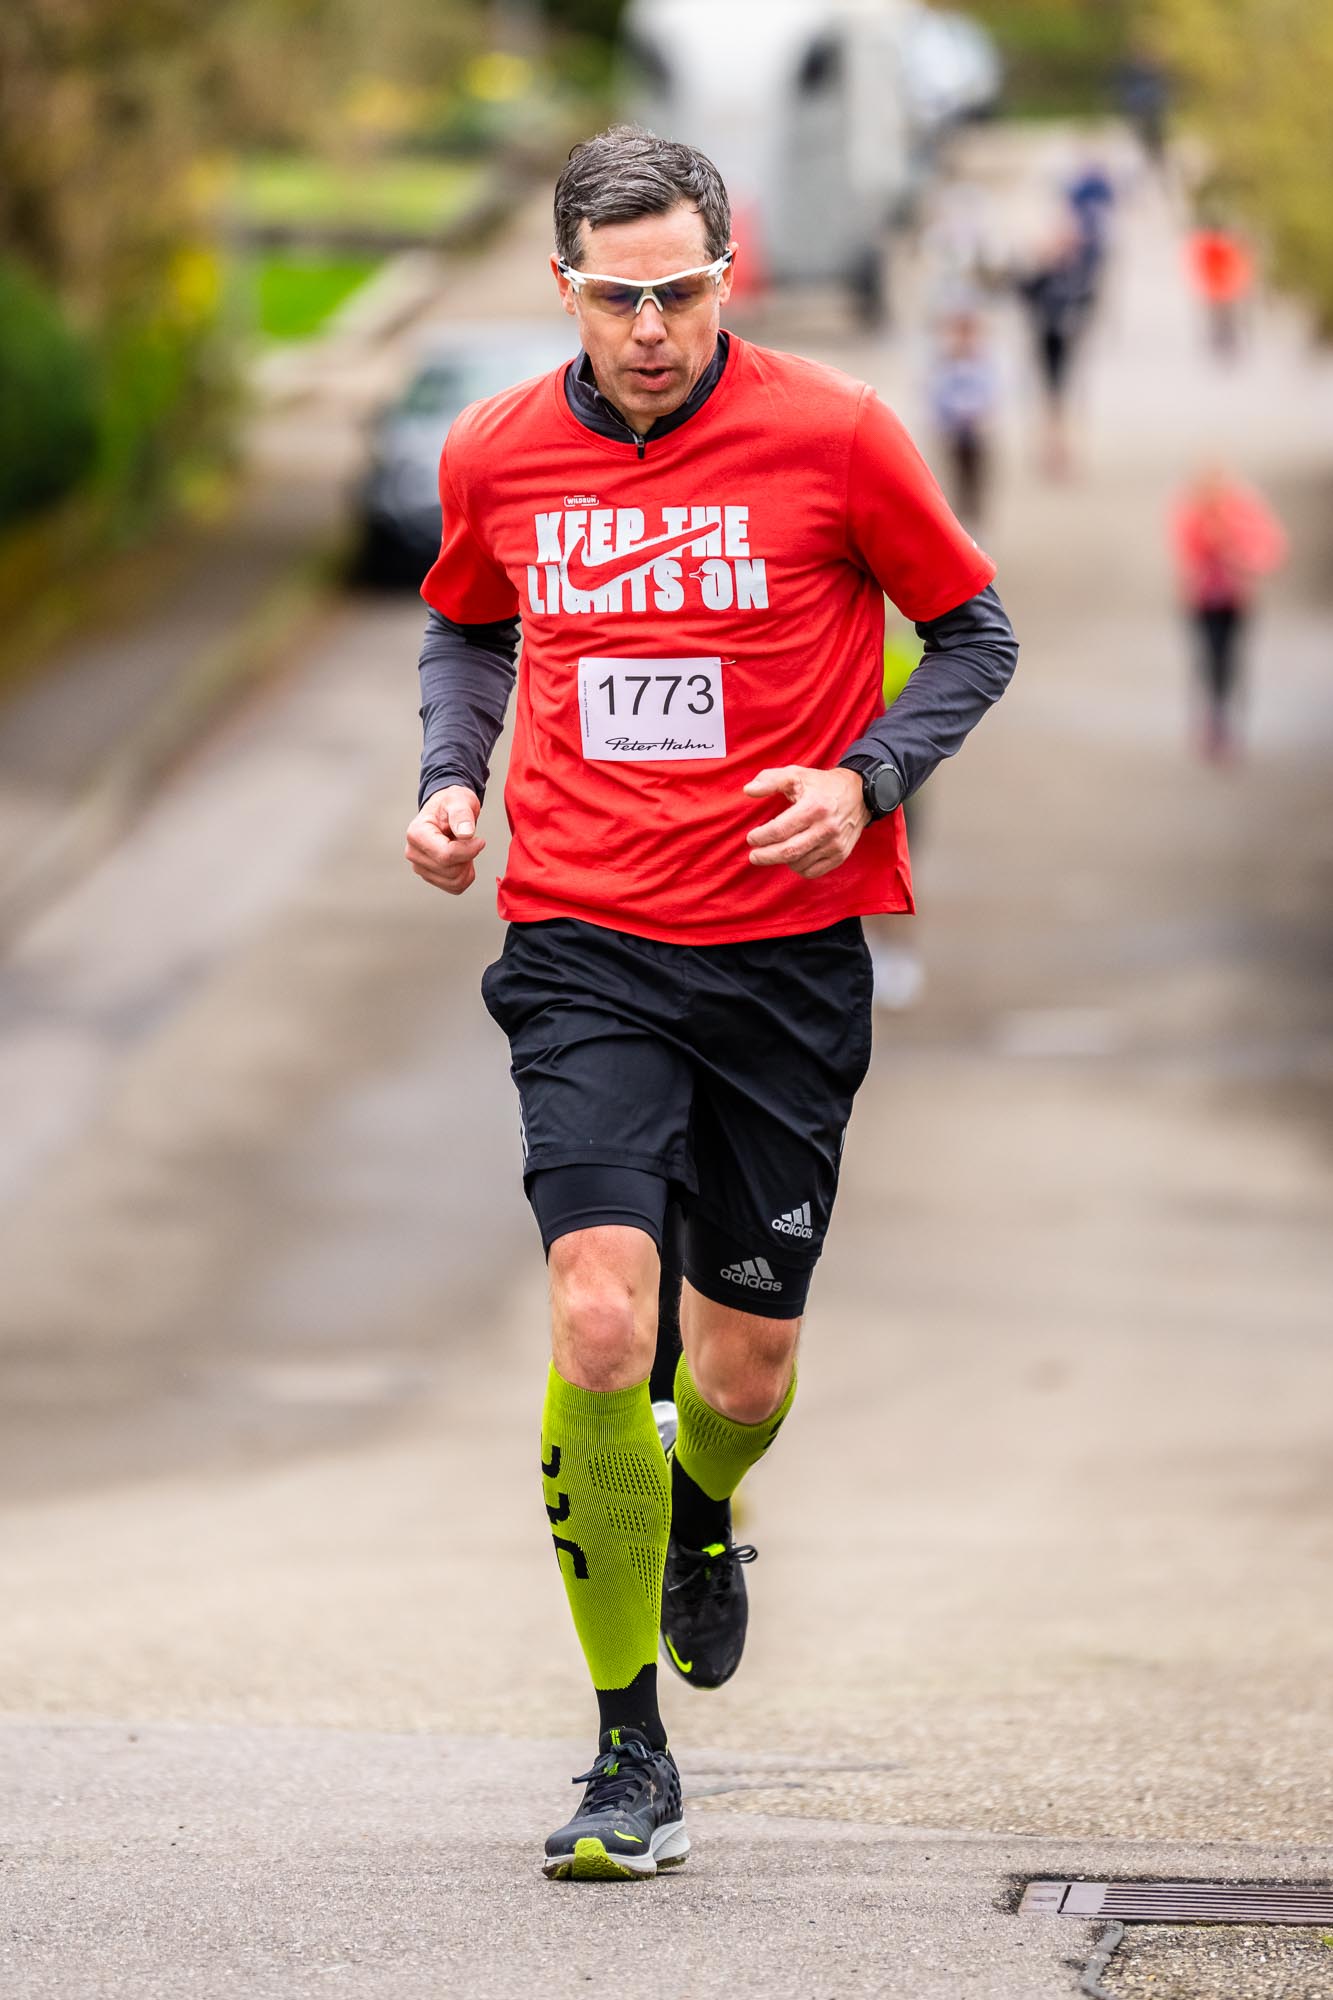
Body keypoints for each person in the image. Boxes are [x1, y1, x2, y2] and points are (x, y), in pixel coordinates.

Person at [404, 124, 1018, 1882]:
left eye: (678, 291)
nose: (651, 327)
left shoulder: (837, 435)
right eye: (617, 297)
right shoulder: (495, 450)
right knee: (603, 1320)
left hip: (782, 959)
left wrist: (865, 776)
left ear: (724, 274)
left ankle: (694, 1506)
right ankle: (627, 1754)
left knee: (741, 1369)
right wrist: (452, 775)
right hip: (583, 938)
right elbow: (466, 626)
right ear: (564, 288)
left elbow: (974, 633)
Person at [1171, 464, 1286, 761]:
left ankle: (1228, 723)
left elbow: (1268, 549)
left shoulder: (1242, 511)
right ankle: (1213, 720)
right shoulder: (1192, 512)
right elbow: (1183, 553)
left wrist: (1242, 558)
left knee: (1232, 661)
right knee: (1209, 659)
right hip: (1202, 600)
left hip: (1236, 600)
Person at [927, 306, 997, 528]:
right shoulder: (944, 363)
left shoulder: (983, 362)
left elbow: (991, 392)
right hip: (952, 430)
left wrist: (980, 414)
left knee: (976, 478)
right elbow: (936, 394)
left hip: (976, 431)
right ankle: (955, 522)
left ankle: (976, 520)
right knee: (954, 477)